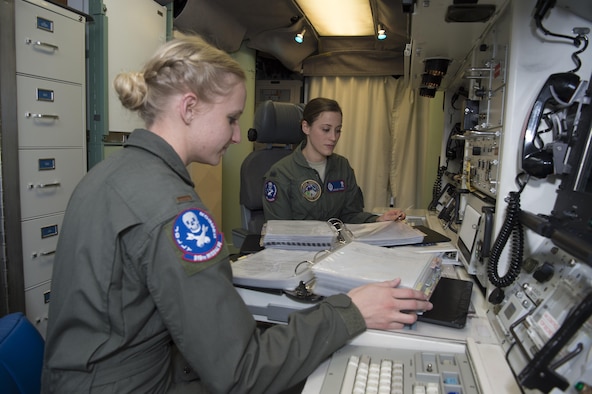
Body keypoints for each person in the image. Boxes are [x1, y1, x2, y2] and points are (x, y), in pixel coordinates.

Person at [41, 36, 432, 393]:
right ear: (189, 107)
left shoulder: (103, 176)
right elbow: (241, 371)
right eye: (231, 118)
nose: (234, 135)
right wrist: (351, 312)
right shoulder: (176, 213)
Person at [262, 97, 407, 224]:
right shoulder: (280, 173)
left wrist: (378, 220)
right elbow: (280, 232)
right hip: (300, 252)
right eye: (326, 129)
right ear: (306, 127)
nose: (333, 137)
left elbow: (350, 216)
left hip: (337, 251)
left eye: (338, 130)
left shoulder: (342, 166)